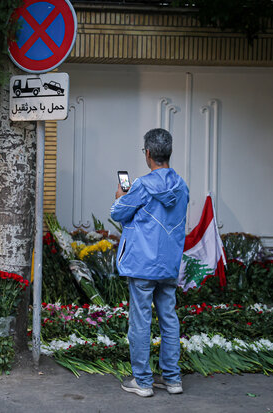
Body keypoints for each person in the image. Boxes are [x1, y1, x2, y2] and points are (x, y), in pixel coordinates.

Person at [110, 128, 189, 397]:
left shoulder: (142, 186)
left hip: (143, 265)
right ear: (168, 153)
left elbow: (118, 213)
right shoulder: (182, 186)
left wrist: (121, 196)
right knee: (169, 319)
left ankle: (143, 382)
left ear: (147, 154)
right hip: (168, 264)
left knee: (141, 322)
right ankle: (173, 379)